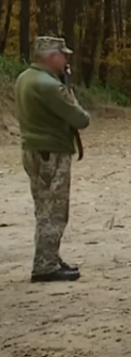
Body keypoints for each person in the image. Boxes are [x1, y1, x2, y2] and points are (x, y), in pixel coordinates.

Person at [15, 36, 91, 282]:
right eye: (62, 54)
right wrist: (69, 91)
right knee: (55, 210)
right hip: (52, 152)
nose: (66, 59)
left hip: (32, 149)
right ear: (50, 57)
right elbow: (80, 119)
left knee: (43, 207)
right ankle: (45, 266)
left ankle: (48, 257)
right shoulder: (49, 85)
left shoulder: (24, 78)